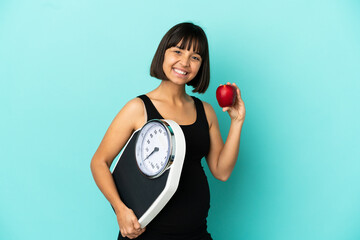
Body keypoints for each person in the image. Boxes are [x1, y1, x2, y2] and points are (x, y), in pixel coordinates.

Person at [90, 22, 246, 240]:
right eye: (178, 51)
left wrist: (237, 121)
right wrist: (120, 210)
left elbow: (222, 171)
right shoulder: (138, 108)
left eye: (195, 57)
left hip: (196, 233)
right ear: (163, 54)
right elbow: (99, 162)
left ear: (202, 65)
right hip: (147, 234)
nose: (184, 62)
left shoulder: (206, 111)